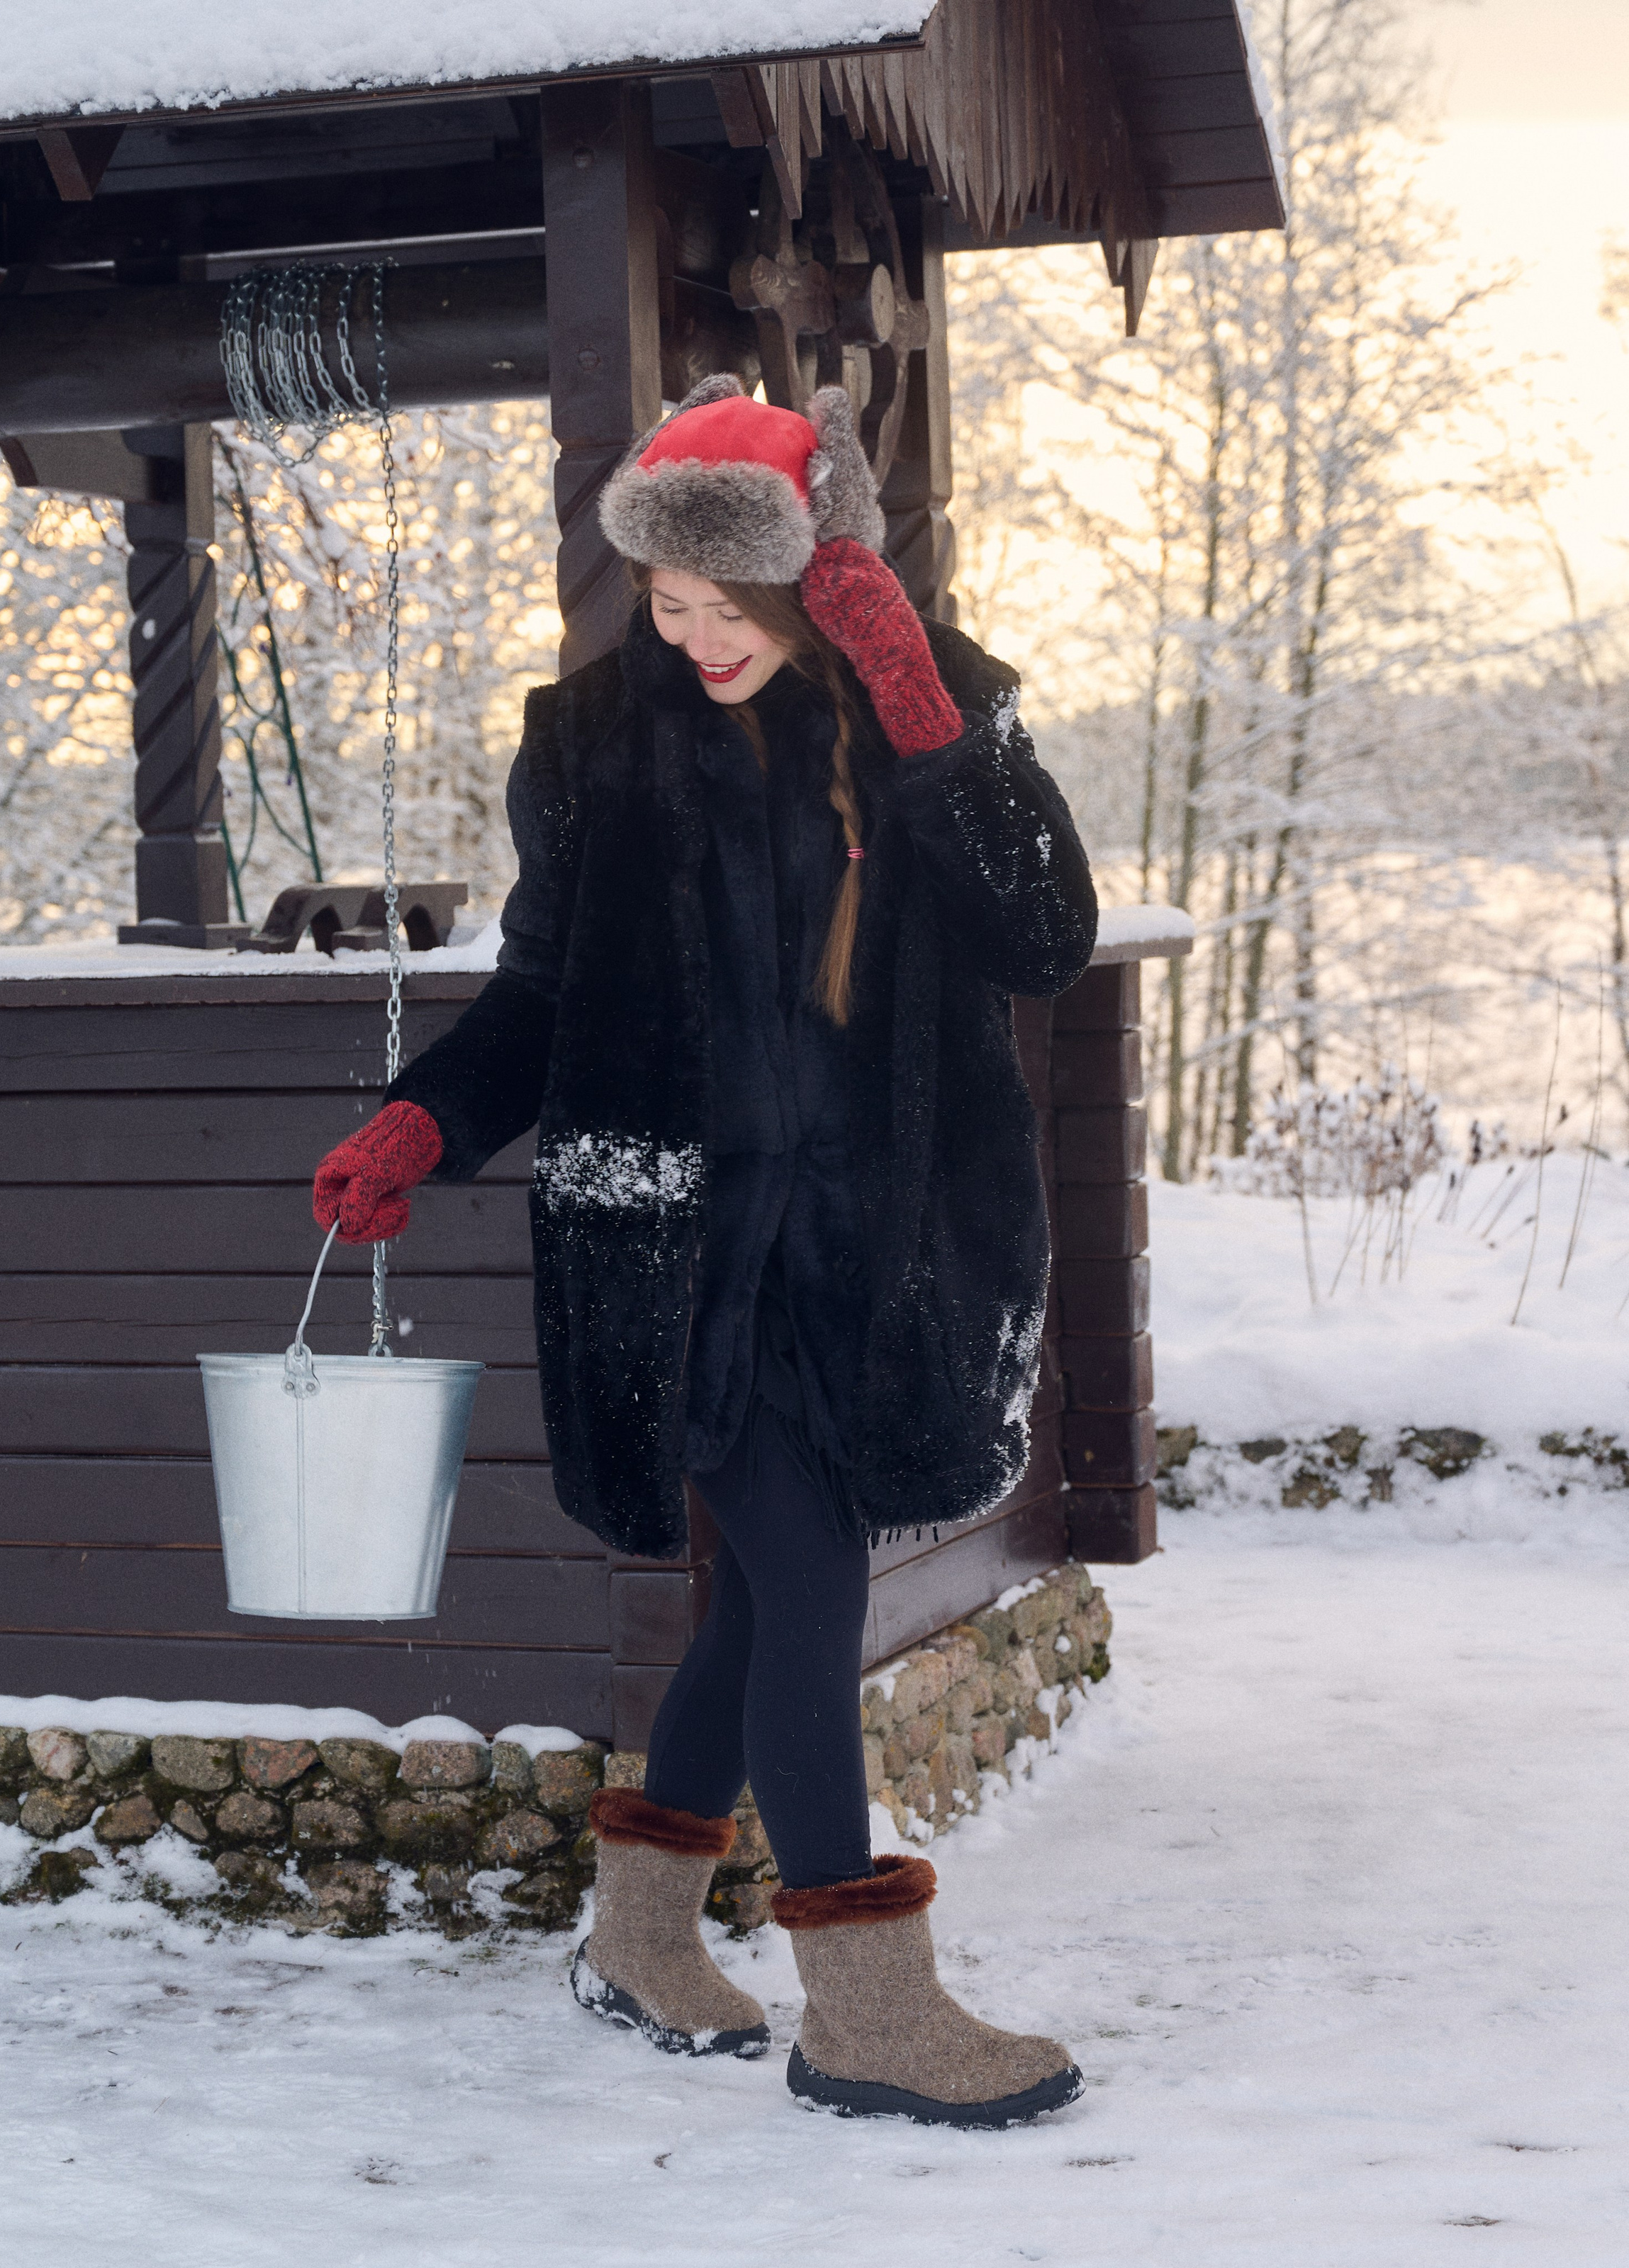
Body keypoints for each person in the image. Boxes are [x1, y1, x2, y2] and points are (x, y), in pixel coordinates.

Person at [312, 376, 1098, 2129]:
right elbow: (539, 992)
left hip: (872, 1253)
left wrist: (914, 705)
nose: (689, 635)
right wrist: (423, 1120)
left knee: (753, 1606)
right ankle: (866, 2011)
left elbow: (1041, 931)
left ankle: (637, 1936)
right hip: (676, 1253)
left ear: (820, 583)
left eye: (723, 603)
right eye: (663, 599)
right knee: (811, 1581)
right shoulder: (594, 742)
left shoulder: (930, 711)